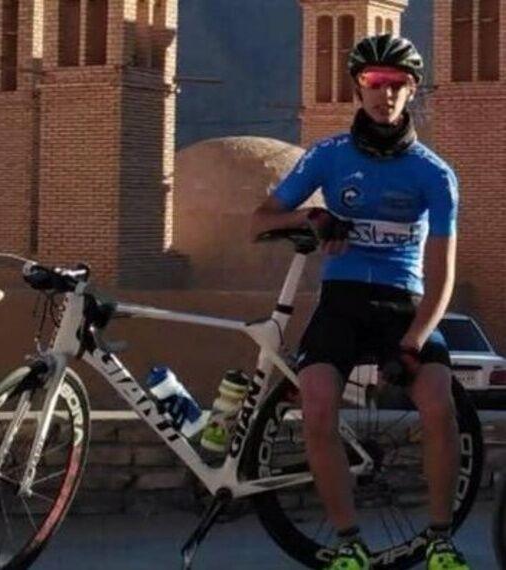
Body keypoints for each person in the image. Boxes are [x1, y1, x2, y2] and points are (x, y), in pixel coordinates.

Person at [251, 34, 470, 570]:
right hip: (342, 302)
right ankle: (348, 544)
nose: (385, 93)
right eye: (374, 81)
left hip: (404, 303)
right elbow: (259, 221)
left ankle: (440, 541)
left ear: (412, 90)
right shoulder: (328, 156)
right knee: (317, 406)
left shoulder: (435, 174)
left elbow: (442, 274)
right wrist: (313, 216)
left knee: (438, 405)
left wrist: (414, 341)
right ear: (358, 88)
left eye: (397, 83)